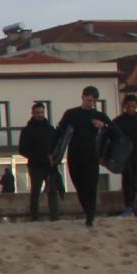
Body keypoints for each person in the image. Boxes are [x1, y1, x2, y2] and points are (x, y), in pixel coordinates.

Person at [56, 87, 116, 228]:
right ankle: (87, 211)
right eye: (89, 100)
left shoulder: (99, 115)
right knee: (79, 185)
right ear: (83, 97)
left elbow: (115, 131)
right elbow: (59, 131)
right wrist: (53, 152)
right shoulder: (71, 114)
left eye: (94, 101)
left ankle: (90, 216)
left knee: (91, 186)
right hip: (74, 154)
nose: (91, 103)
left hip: (92, 155)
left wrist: (103, 126)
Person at [17, 102, 60, 220]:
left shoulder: (50, 129)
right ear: (32, 113)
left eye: (42, 112)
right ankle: (34, 216)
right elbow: (22, 149)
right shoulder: (27, 130)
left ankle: (55, 216)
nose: (40, 115)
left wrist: (54, 158)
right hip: (35, 165)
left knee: (52, 190)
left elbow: (56, 146)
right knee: (35, 191)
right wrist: (38, 156)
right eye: (37, 113)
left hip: (50, 166)